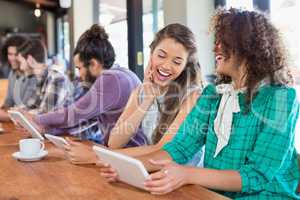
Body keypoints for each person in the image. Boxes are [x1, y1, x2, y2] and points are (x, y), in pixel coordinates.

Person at [98, 9, 300, 199]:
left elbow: (256, 175)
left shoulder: (281, 99)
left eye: (224, 42)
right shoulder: (212, 96)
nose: (215, 48)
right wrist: (126, 167)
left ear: (247, 47)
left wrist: (187, 175)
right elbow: (177, 149)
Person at [62, 23, 203, 165]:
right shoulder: (140, 92)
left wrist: (98, 156)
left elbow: (163, 150)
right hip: (156, 174)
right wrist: (148, 99)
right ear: (151, 53)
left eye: (177, 62)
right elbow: (115, 142)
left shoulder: (193, 96)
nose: (166, 66)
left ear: (185, 66)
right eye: (161, 55)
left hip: (186, 183)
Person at [24, 24, 143, 146]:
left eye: (79, 68)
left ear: (93, 64)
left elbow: (74, 113)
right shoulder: (121, 74)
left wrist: (36, 119)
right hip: (123, 151)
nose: (79, 75)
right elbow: (86, 120)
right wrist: (48, 130)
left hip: (130, 153)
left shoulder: (111, 79)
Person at [18, 38, 74, 114]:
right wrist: (17, 111)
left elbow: (44, 114)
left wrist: (22, 114)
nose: (20, 68)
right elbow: (32, 105)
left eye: (21, 62)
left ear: (30, 60)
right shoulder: (41, 78)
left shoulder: (56, 77)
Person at [0, 35, 37, 122]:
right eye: (10, 54)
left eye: (16, 54)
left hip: (27, 123)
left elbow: (26, 111)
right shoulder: (12, 74)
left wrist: (5, 115)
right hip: (16, 122)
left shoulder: (33, 76)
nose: (12, 58)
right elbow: (8, 102)